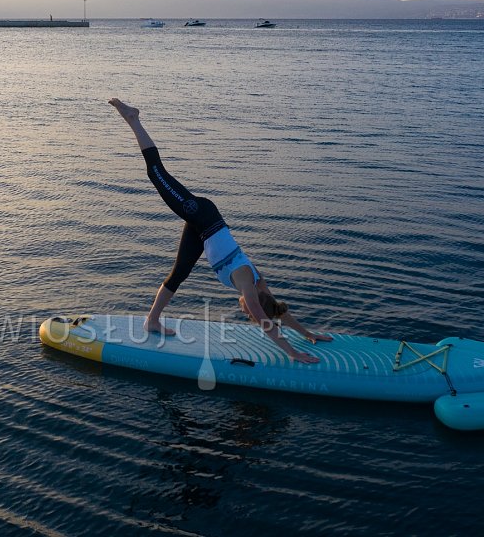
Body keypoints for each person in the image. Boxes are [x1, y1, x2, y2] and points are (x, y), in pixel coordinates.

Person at [109, 98, 332, 364]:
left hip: (203, 230)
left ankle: (152, 321)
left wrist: (308, 334)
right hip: (203, 215)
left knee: (178, 274)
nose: (246, 311)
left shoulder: (259, 285)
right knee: (157, 174)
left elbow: (277, 311)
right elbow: (265, 320)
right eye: (249, 310)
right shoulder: (249, 285)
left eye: (248, 311)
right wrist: (293, 353)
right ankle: (133, 119)